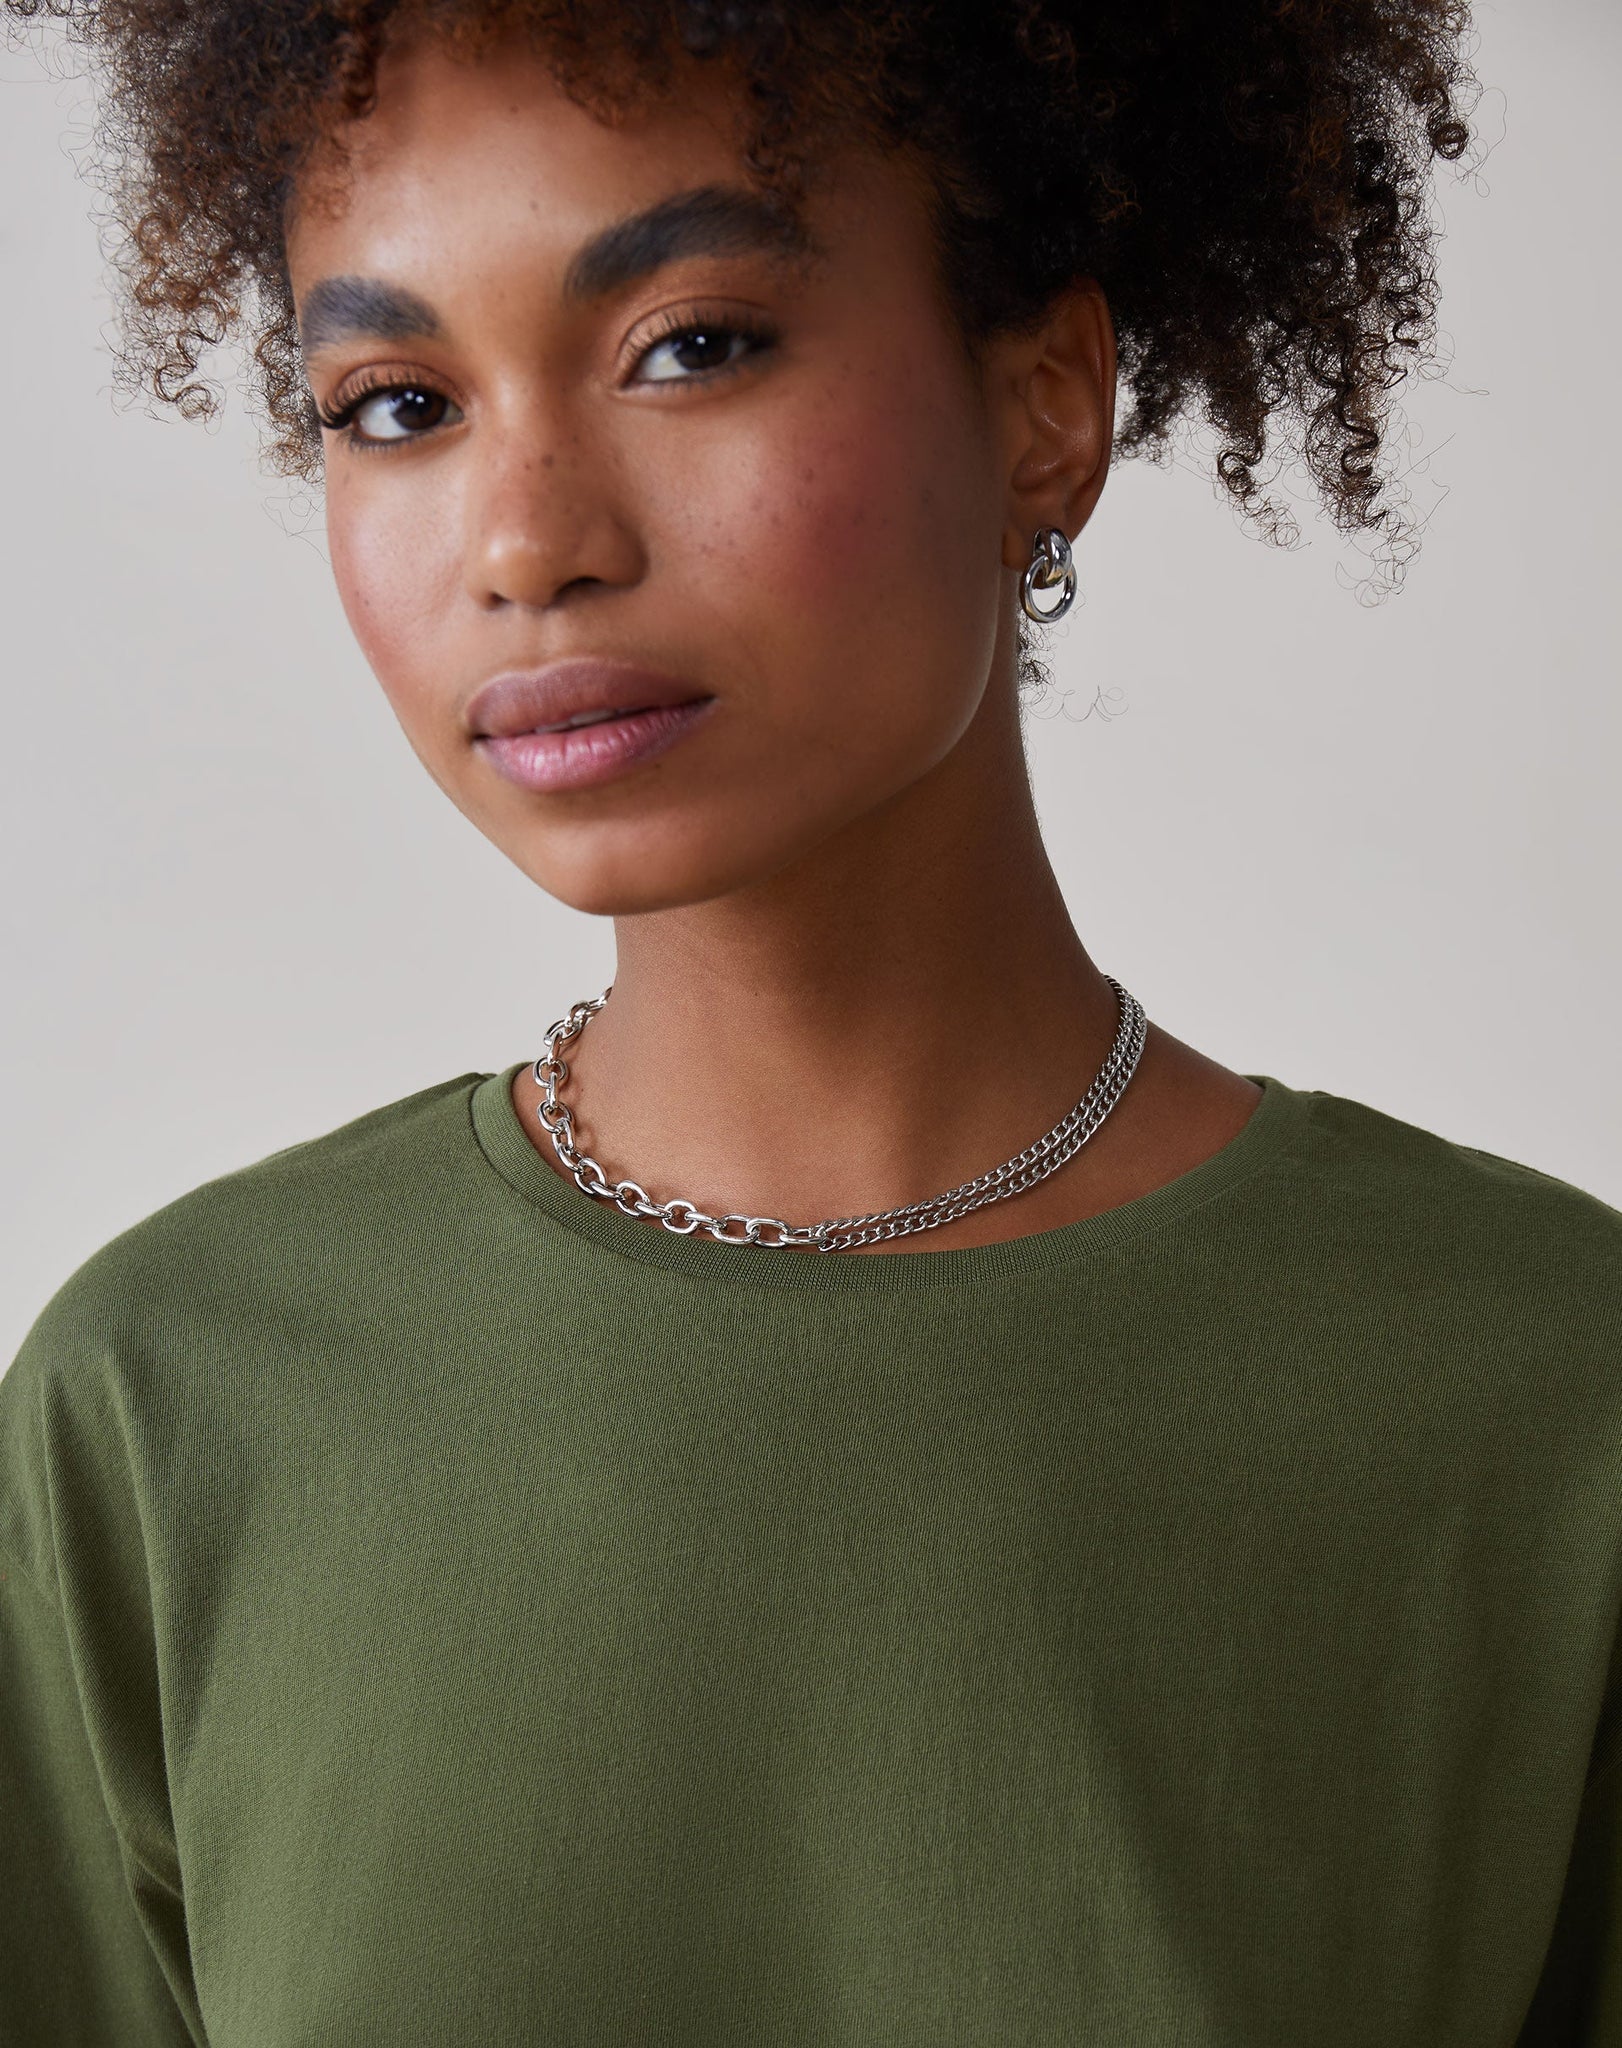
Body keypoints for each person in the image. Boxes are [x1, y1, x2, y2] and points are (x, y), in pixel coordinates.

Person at [1, 1, 1616, 2041]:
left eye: (689, 346)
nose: (527, 542)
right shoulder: (170, 1408)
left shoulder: (1541, 1407)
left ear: (1043, 403)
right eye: (397, 403)